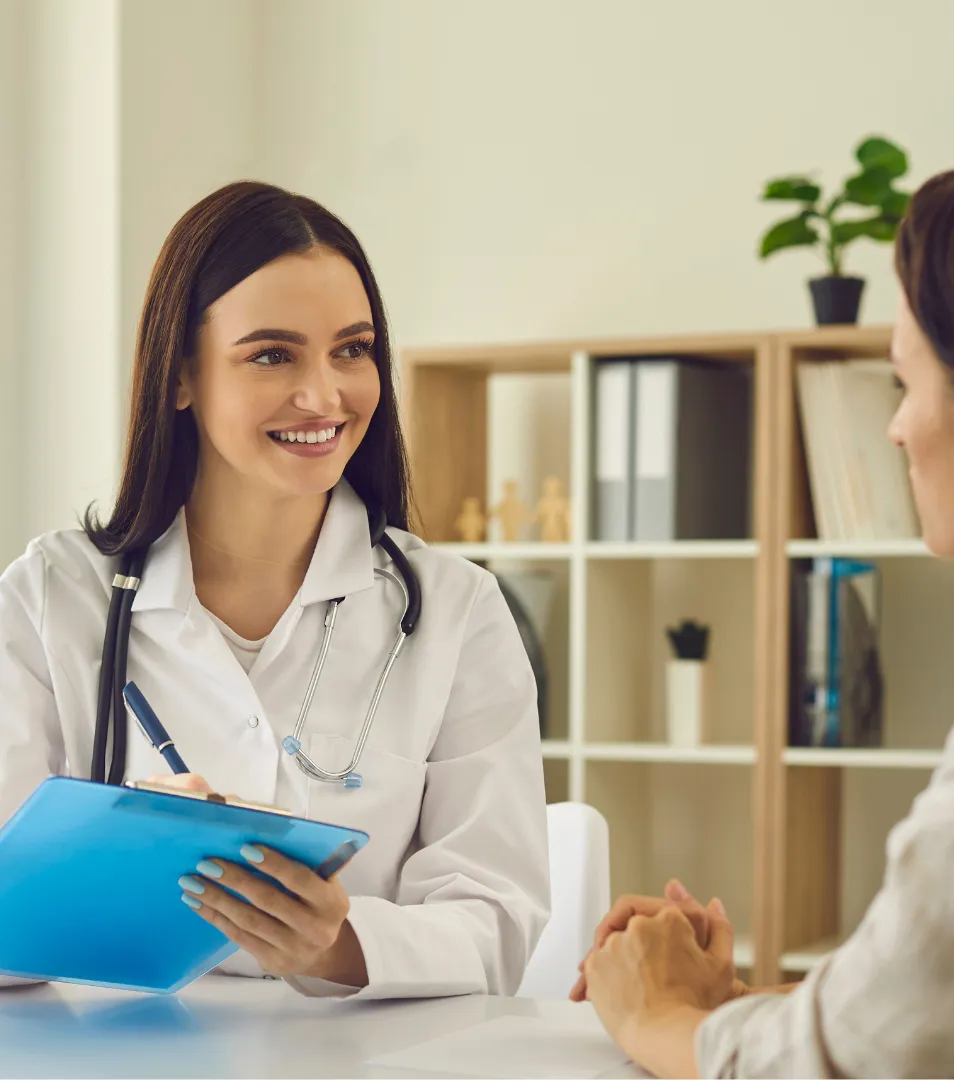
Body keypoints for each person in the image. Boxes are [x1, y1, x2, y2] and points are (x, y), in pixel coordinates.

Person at [576, 155, 954, 1077]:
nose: (894, 428)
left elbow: (849, 1063)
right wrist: (723, 1006)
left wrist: (657, 1019)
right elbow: (953, 1004)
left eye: (904, 382)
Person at [0, 181, 549, 999]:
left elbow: (499, 920)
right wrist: (113, 863)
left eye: (352, 349)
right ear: (180, 376)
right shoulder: (52, 596)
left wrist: (338, 942)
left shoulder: (454, 612)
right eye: (272, 355)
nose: (324, 396)